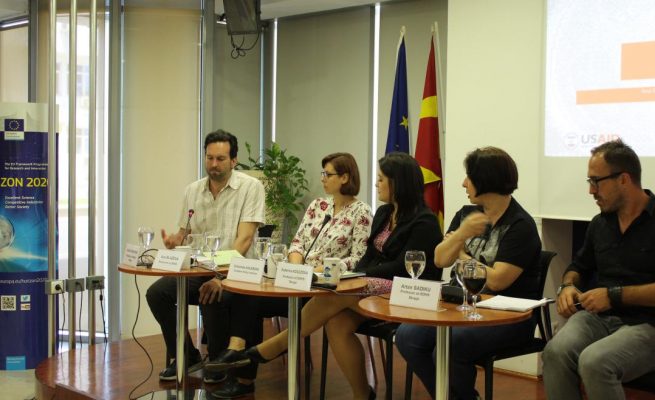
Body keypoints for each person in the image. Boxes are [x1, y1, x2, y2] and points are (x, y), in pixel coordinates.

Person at [213, 152, 443, 400]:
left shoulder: (424, 221)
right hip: (368, 286)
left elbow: (401, 267)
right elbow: (367, 255)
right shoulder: (385, 213)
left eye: (381, 179)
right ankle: (362, 394)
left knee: (335, 292)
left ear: (398, 183)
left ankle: (271, 348)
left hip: (405, 292)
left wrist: (357, 274)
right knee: (337, 323)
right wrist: (356, 273)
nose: (376, 184)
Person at [542, 139, 655, 400]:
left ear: (624, 179)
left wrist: (614, 296)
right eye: (589, 182)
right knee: (554, 352)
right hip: (600, 319)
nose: (591, 191)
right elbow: (578, 266)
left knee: (596, 362)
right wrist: (568, 285)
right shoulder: (600, 224)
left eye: (596, 181)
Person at [205, 152, 373, 398]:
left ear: (345, 177)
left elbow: (357, 259)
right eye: (323, 173)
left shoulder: (362, 212)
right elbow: (297, 243)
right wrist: (297, 267)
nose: (323, 178)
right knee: (246, 297)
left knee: (249, 301)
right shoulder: (318, 206)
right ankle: (240, 366)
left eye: (328, 174)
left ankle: (250, 361)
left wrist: (318, 269)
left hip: (322, 290)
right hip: (296, 280)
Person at [395, 147, 541, 400]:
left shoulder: (520, 225)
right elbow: (440, 259)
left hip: (507, 316)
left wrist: (462, 254)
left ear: (486, 180)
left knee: (451, 344)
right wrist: (462, 233)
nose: (463, 183)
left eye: (469, 177)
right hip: (459, 303)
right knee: (407, 336)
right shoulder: (466, 215)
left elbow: (497, 281)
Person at [145, 130, 265, 382]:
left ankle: (218, 362)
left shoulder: (250, 187)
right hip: (201, 269)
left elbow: (244, 240)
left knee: (210, 293)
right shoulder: (193, 190)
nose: (213, 164)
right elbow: (185, 233)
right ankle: (187, 356)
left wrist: (219, 277)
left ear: (234, 160)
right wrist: (175, 241)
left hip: (239, 272)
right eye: (209, 158)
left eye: (220, 159)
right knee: (157, 293)